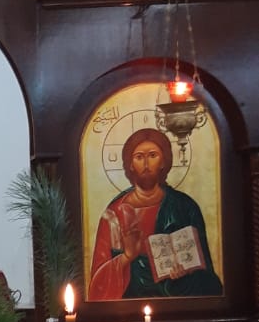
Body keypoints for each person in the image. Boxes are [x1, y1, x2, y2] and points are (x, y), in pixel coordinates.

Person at [88, 127, 223, 299]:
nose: (146, 164)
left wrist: (186, 273)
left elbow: (207, 279)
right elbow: (98, 285)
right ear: (130, 164)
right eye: (139, 157)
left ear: (163, 161)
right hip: (129, 306)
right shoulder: (114, 215)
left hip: (178, 305)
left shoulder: (185, 207)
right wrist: (127, 257)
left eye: (153, 155)